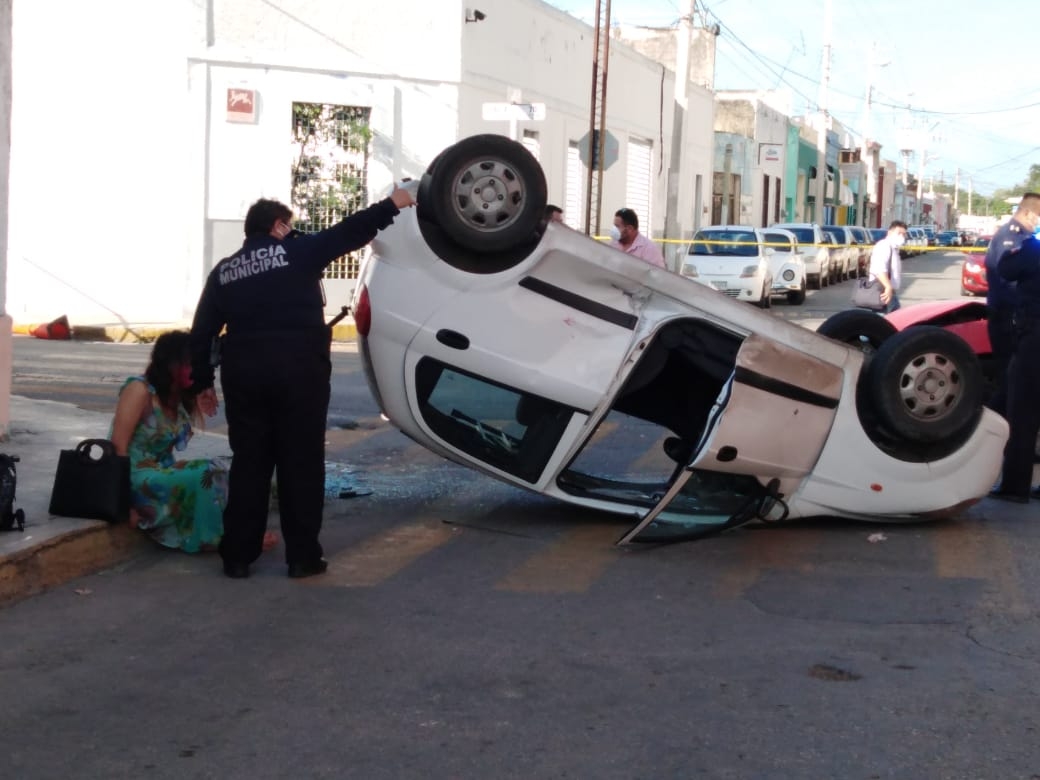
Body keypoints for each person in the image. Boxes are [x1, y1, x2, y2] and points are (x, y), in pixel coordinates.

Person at [189, 186, 416, 579]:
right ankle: (303, 557)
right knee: (301, 465)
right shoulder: (297, 252)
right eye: (289, 225)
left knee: (249, 465)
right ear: (278, 226)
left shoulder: (224, 271)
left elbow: (202, 332)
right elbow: (350, 231)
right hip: (300, 376)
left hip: (244, 377)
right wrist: (392, 204)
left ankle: (238, 557)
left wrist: (203, 383)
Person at [110, 331, 277, 553]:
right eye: (190, 363)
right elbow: (117, 447)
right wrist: (124, 504)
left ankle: (239, 530)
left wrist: (202, 391)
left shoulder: (178, 398)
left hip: (161, 472)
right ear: (171, 363)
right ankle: (223, 537)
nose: (195, 369)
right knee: (204, 472)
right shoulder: (139, 390)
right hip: (135, 479)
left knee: (221, 469)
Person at [991, 224, 1040, 503]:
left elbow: (1006, 268)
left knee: (1023, 410)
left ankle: (1015, 485)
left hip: (1034, 338)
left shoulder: (1034, 247)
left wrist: (1029, 242)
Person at [983, 193, 1040, 416]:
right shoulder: (1013, 237)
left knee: (1015, 383)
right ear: (1028, 213)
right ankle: (991, 427)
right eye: (1038, 217)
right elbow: (1009, 278)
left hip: (1013, 316)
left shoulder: (1022, 236)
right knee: (1013, 383)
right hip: (1008, 316)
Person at [867, 220, 907, 313]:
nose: (902, 236)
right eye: (899, 233)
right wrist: (888, 287)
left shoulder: (893, 248)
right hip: (882, 292)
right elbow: (879, 269)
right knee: (885, 323)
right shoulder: (884, 246)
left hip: (889, 292)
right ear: (890, 232)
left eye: (904, 234)